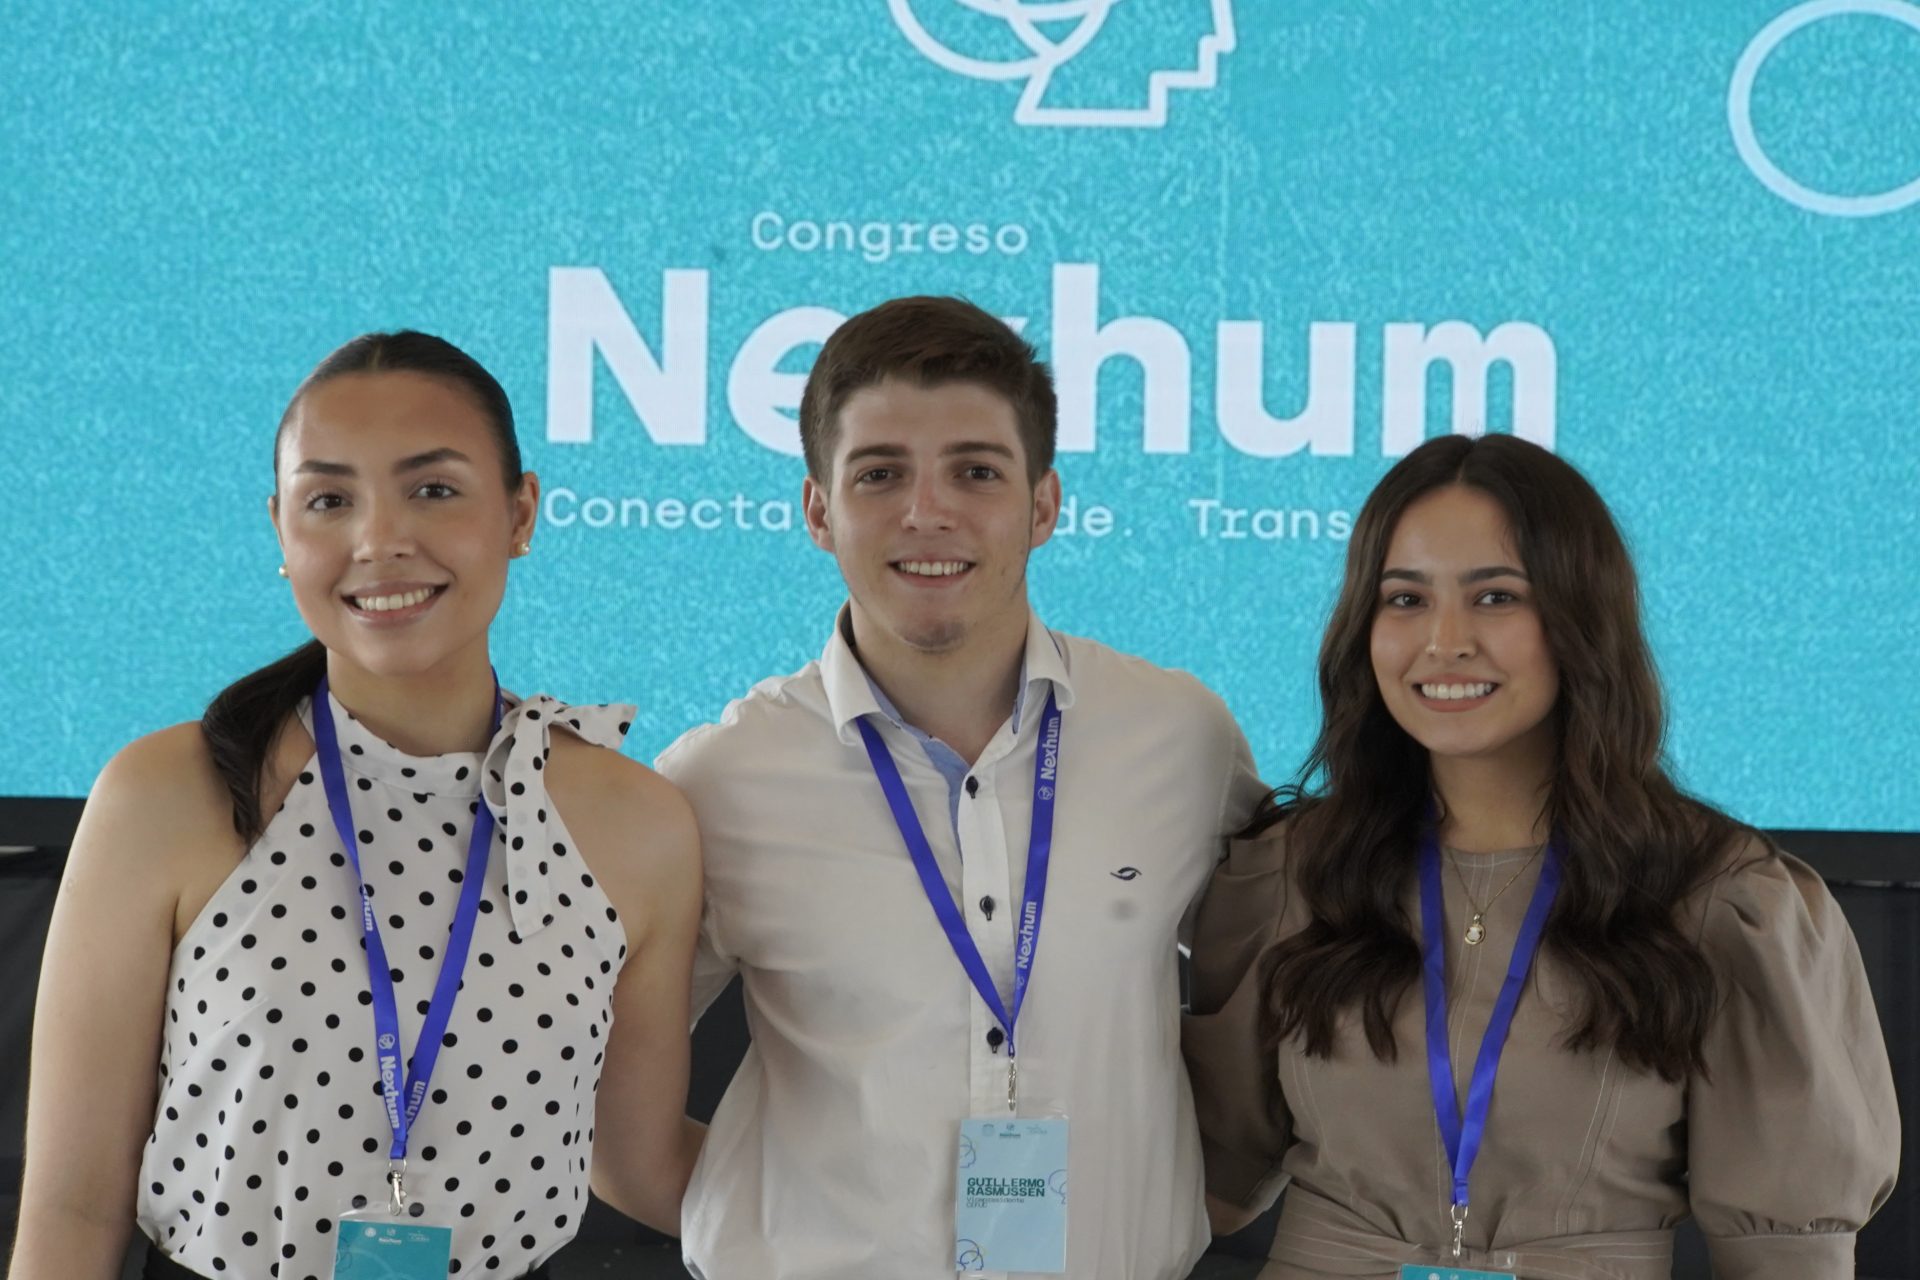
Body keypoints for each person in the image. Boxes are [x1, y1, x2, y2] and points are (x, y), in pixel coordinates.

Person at [10, 332, 703, 1280]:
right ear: (281, 531)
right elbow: (73, 1208)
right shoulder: (166, 795)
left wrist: (877, 1204)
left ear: (520, 513)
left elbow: (644, 1164)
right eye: (330, 500)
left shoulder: (637, 823)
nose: (380, 541)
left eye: (434, 489)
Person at [1183, 433, 1899, 1279]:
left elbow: (1787, 1260)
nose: (1445, 641)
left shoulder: (1724, 897)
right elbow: (1205, 1190)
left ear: (1579, 618)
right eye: (1405, 599)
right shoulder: (1292, 872)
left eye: (1496, 597)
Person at [656, 296, 1264, 1279]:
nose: (926, 512)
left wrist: (1213, 1193)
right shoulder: (718, 781)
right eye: (880, 473)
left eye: (976, 471)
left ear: (1044, 505)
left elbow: (1296, 997)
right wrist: (771, 1225)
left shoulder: (1180, 735)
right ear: (819, 511)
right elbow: (600, 1099)